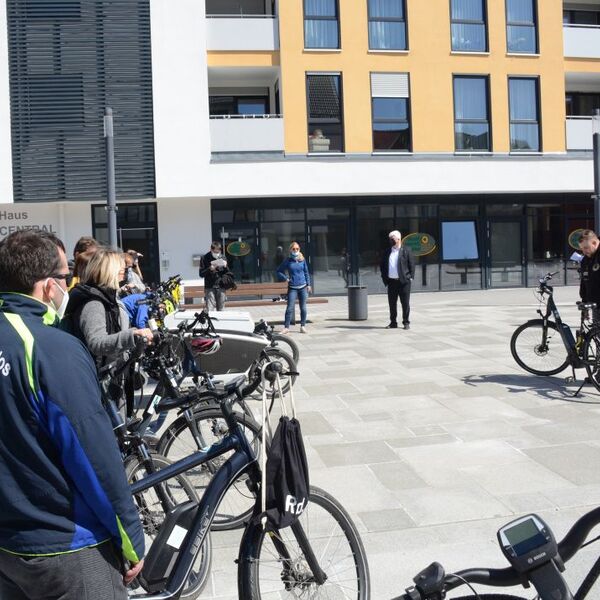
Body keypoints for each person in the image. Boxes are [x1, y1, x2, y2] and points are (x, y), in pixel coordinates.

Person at [0, 230, 144, 599]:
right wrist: (131, 535)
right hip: (66, 543)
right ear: (48, 286)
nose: (70, 284)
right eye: (66, 277)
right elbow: (91, 452)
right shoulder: (52, 348)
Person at [63, 247, 154, 368]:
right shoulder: (94, 303)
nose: (125, 273)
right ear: (110, 272)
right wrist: (133, 335)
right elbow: (97, 343)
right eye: (122, 270)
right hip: (96, 377)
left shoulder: (107, 297)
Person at [380, 230, 415, 330]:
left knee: (405, 303)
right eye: (390, 238)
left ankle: (406, 322)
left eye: (393, 238)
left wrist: (411, 277)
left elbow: (412, 264)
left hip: (404, 282)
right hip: (391, 282)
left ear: (399, 239)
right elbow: (382, 265)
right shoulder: (387, 251)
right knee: (392, 303)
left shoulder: (406, 250)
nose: (391, 240)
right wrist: (384, 278)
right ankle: (393, 322)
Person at [277, 241, 311, 334]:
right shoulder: (288, 260)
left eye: (297, 249)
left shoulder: (302, 260)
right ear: (290, 250)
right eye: (294, 249)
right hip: (293, 288)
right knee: (289, 308)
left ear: (299, 249)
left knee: (303, 308)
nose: (295, 250)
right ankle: (286, 328)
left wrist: (309, 284)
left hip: (303, 287)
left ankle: (302, 326)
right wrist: (286, 278)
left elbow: (306, 272)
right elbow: (279, 271)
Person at [199, 241, 229, 311]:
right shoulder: (204, 258)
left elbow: (227, 272)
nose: (217, 254)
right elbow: (201, 274)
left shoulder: (222, 257)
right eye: (215, 252)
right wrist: (209, 269)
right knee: (210, 309)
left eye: (218, 252)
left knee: (221, 309)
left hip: (221, 286)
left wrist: (226, 266)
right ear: (211, 249)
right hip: (210, 287)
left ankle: (221, 322)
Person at [579, 230, 600, 310]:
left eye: (586, 248)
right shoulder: (585, 260)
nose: (584, 251)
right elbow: (584, 281)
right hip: (595, 305)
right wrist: (584, 302)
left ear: (594, 243)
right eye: (581, 249)